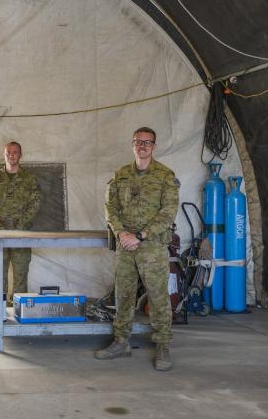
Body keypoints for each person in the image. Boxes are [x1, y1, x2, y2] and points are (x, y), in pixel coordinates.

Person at [97, 127, 179, 371]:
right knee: (123, 294)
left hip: (151, 247)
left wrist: (140, 236)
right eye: (138, 142)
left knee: (157, 296)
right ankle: (121, 341)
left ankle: (163, 345)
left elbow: (167, 213)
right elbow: (110, 208)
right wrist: (122, 233)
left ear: (154, 146)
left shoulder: (165, 176)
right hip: (125, 245)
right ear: (132, 145)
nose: (142, 146)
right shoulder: (120, 175)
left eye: (147, 142)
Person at [0, 141, 41, 298]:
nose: (11, 155)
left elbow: (35, 204)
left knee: (20, 277)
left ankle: (17, 315)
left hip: (21, 235)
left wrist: (20, 226)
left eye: (15, 152)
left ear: (20, 155)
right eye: (8, 152)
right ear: (4, 154)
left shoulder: (29, 179)